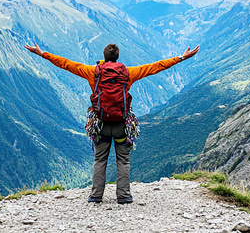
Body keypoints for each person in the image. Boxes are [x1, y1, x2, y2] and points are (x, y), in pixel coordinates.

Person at [25, 42, 200, 204]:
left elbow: (66, 63)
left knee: (100, 160)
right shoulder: (128, 73)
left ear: (104, 56)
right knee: (123, 161)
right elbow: (155, 67)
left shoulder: (92, 72)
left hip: (100, 124)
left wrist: (42, 54)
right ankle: (123, 196)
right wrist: (181, 58)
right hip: (122, 124)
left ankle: (95, 196)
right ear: (117, 57)